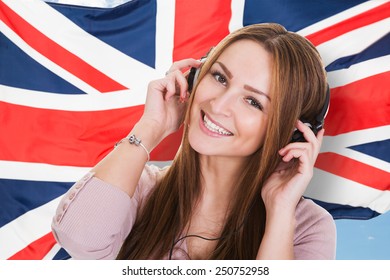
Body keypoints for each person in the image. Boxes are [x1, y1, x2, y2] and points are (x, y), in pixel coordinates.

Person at [51, 23, 336, 260]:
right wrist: (150, 128)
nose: (219, 104)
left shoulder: (306, 226)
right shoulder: (138, 188)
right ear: (194, 77)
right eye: (220, 77)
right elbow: (79, 239)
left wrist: (280, 211)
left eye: (252, 101)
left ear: (293, 133)